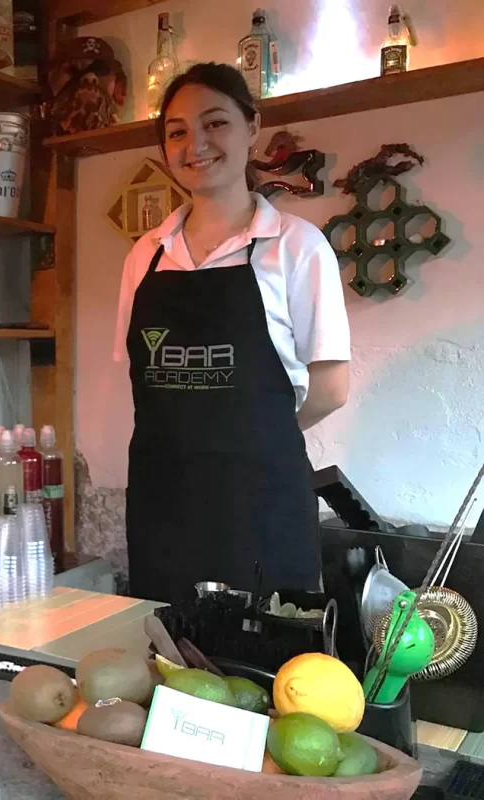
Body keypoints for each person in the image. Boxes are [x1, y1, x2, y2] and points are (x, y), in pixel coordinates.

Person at [113, 63, 350, 604]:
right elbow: (145, 379)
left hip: (260, 505)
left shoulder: (296, 245)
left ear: (252, 128)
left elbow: (331, 388)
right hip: (163, 505)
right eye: (176, 132)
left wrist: (249, 436)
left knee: (269, 669)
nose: (195, 144)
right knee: (170, 662)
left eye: (215, 123)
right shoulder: (145, 256)